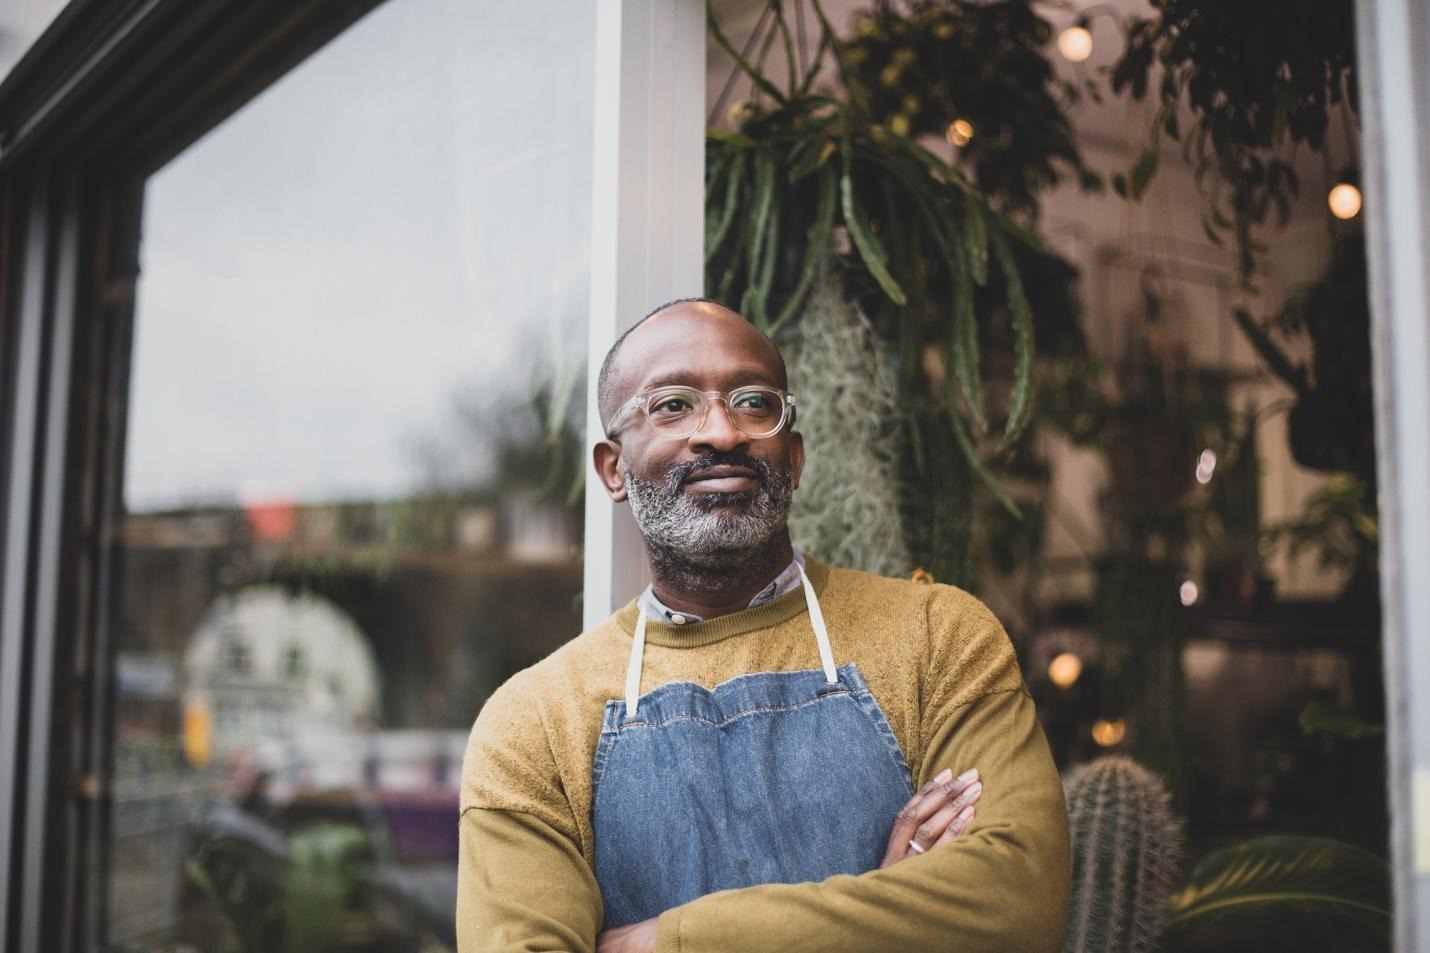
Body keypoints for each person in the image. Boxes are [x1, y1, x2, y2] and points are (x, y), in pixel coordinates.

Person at [456, 299, 1070, 953]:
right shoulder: (532, 725)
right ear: (614, 467)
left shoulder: (939, 636)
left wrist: (664, 940)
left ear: (795, 456)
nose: (721, 432)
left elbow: (1016, 906)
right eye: (672, 405)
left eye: (754, 401)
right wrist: (891, 909)